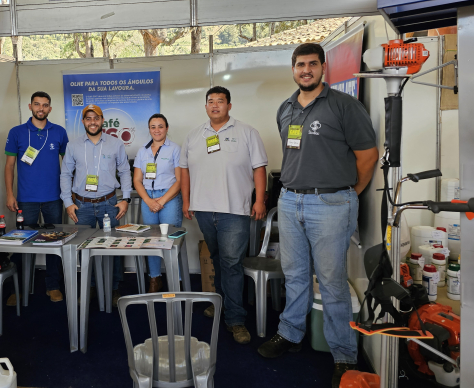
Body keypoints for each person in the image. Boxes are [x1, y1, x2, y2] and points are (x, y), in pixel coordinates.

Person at [258, 43, 378, 388]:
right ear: (293, 69)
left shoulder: (345, 105)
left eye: (312, 64)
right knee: (295, 274)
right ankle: (290, 332)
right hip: (290, 201)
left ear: (323, 67)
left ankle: (343, 354)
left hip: (331, 204)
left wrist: (348, 193)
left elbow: (368, 156)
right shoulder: (285, 108)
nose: (306, 70)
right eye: (300, 65)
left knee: (331, 281)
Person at [180, 86, 268, 344]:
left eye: (220, 101)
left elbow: (259, 168)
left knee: (231, 262)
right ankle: (221, 302)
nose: (215, 105)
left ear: (229, 105)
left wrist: (259, 200)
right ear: (205, 106)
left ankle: (236, 319)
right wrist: (187, 200)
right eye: (211, 101)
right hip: (204, 209)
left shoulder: (247, 132)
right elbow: (184, 170)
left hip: (235, 209)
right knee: (218, 257)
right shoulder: (194, 135)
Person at [60, 104, 132, 305]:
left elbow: (125, 171)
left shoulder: (116, 144)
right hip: (81, 206)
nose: (93, 122)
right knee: (83, 248)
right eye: (88, 118)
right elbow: (65, 174)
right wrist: (68, 202)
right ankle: (89, 287)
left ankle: (114, 287)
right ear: (83, 121)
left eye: (96, 118)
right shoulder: (73, 145)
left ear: (102, 120)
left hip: (109, 203)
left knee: (113, 247)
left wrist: (125, 199)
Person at [5, 91, 69, 302]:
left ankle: (53, 285)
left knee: (55, 243)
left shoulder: (59, 132)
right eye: (37, 104)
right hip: (26, 199)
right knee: (22, 243)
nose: (41, 108)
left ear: (50, 108)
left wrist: (69, 194)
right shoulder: (17, 132)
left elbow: (68, 165)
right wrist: (10, 194)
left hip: (54, 198)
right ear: (30, 106)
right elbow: (9, 166)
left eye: (45, 105)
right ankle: (19, 288)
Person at [133, 114, 182, 293]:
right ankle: (155, 278)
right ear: (149, 129)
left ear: (167, 128)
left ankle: (176, 279)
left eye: (160, 126)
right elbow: (137, 180)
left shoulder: (175, 149)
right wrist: (148, 200)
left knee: (171, 240)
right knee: (151, 241)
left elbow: (179, 180)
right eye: (153, 127)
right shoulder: (142, 151)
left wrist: (161, 201)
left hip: (169, 198)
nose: (157, 130)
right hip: (148, 199)